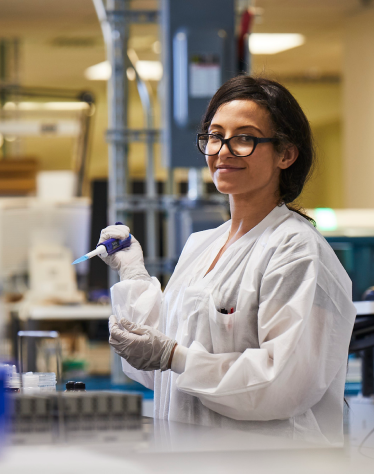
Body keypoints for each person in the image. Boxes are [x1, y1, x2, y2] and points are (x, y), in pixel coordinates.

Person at [101, 76, 356, 444]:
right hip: (190, 456)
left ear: (286, 154)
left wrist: (176, 357)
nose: (223, 151)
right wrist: (133, 273)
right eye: (216, 136)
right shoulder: (202, 245)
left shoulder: (296, 250)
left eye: (244, 138)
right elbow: (162, 368)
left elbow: (281, 384)